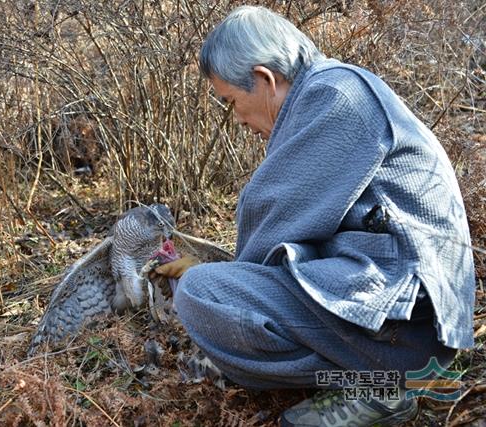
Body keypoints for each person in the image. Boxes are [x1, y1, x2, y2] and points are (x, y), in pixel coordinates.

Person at [154, 5, 476, 427]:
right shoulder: (332, 94)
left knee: (202, 293)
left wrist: (230, 288)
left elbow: (271, 216)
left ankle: (379, 388)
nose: (237, 119)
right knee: (215, 293)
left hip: (403, 325)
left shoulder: (334, 97)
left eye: (233, 101)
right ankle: (371, 378)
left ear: (265, 79)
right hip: (391, 313)